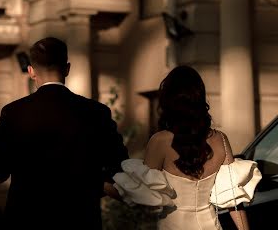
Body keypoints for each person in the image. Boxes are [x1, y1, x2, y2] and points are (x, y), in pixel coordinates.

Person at [0, 36, 128, 230]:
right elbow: (120, 169)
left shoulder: (14, 112)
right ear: (67, 68)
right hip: (80, 221)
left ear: (31, 71)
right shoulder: (97, 112)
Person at [106, 65, 261, 230]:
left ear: (168, 101)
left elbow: (142, 196)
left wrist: (98, 184)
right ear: (200, 98)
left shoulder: (159, 141)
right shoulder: (220, 139)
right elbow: (233, 200)